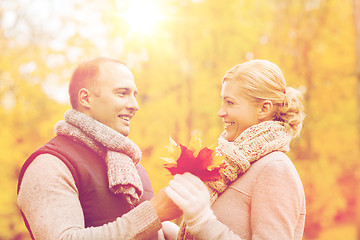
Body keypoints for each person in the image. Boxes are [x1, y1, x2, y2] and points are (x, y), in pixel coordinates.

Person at [17, 57, 181, 240]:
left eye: (134, 94)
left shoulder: (131, 166)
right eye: (122, 93)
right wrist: (153, 214)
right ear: (86, 98)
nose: (135, 105)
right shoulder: (49, 164)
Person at [165, 59, 306, 239]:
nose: (221, 112)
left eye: (230, 103)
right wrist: (169, 233)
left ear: (263, 108)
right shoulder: (232, 166)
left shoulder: (275, 169)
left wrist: (202, 221)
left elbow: (210, 228)